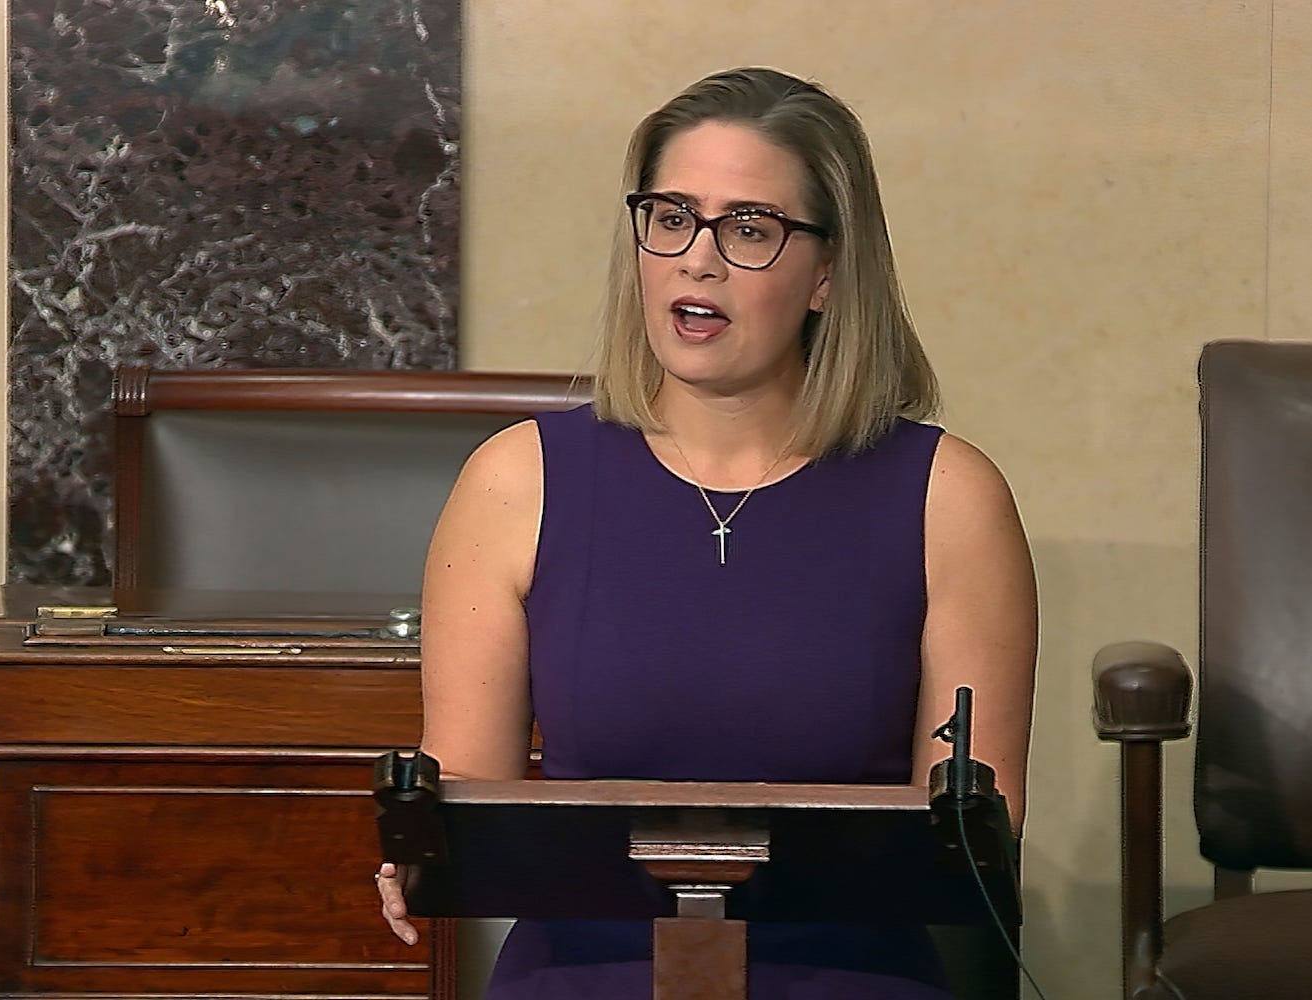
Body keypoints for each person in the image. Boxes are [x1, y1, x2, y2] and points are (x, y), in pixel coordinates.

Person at [376, 66, 1037, 999]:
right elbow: (476, 820)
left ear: (827, 274)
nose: (699, 258)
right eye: (673, 217)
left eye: (750, 230)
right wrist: (419, 851)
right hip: (582, 978)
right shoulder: (514, 480)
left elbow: (971, 853)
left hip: (850, 979)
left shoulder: (948, 497)